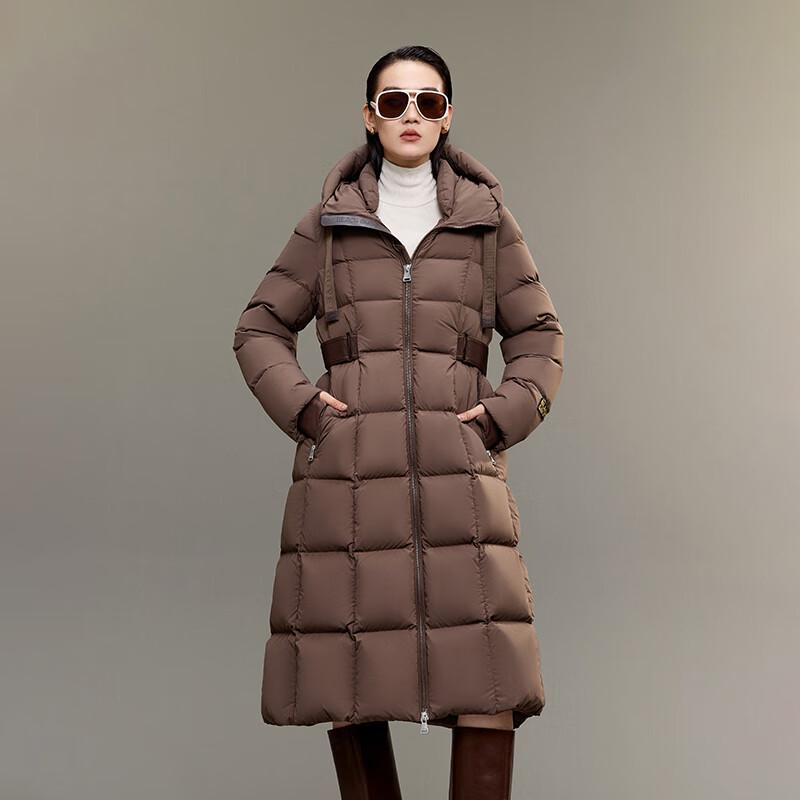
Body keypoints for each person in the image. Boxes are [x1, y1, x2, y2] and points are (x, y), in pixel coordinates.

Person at [233, 45, 565, 800]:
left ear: (447, 117)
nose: (411, 114)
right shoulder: (328, 224)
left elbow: (540, 336)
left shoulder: (487, 223)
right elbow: (259, 327)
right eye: (394, 101)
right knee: (347, 680)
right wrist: (307, 411)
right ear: (369, 116)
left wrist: (501, 418)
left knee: (489, 679)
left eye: (427, 101)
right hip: (347, 483)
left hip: (461, 477)